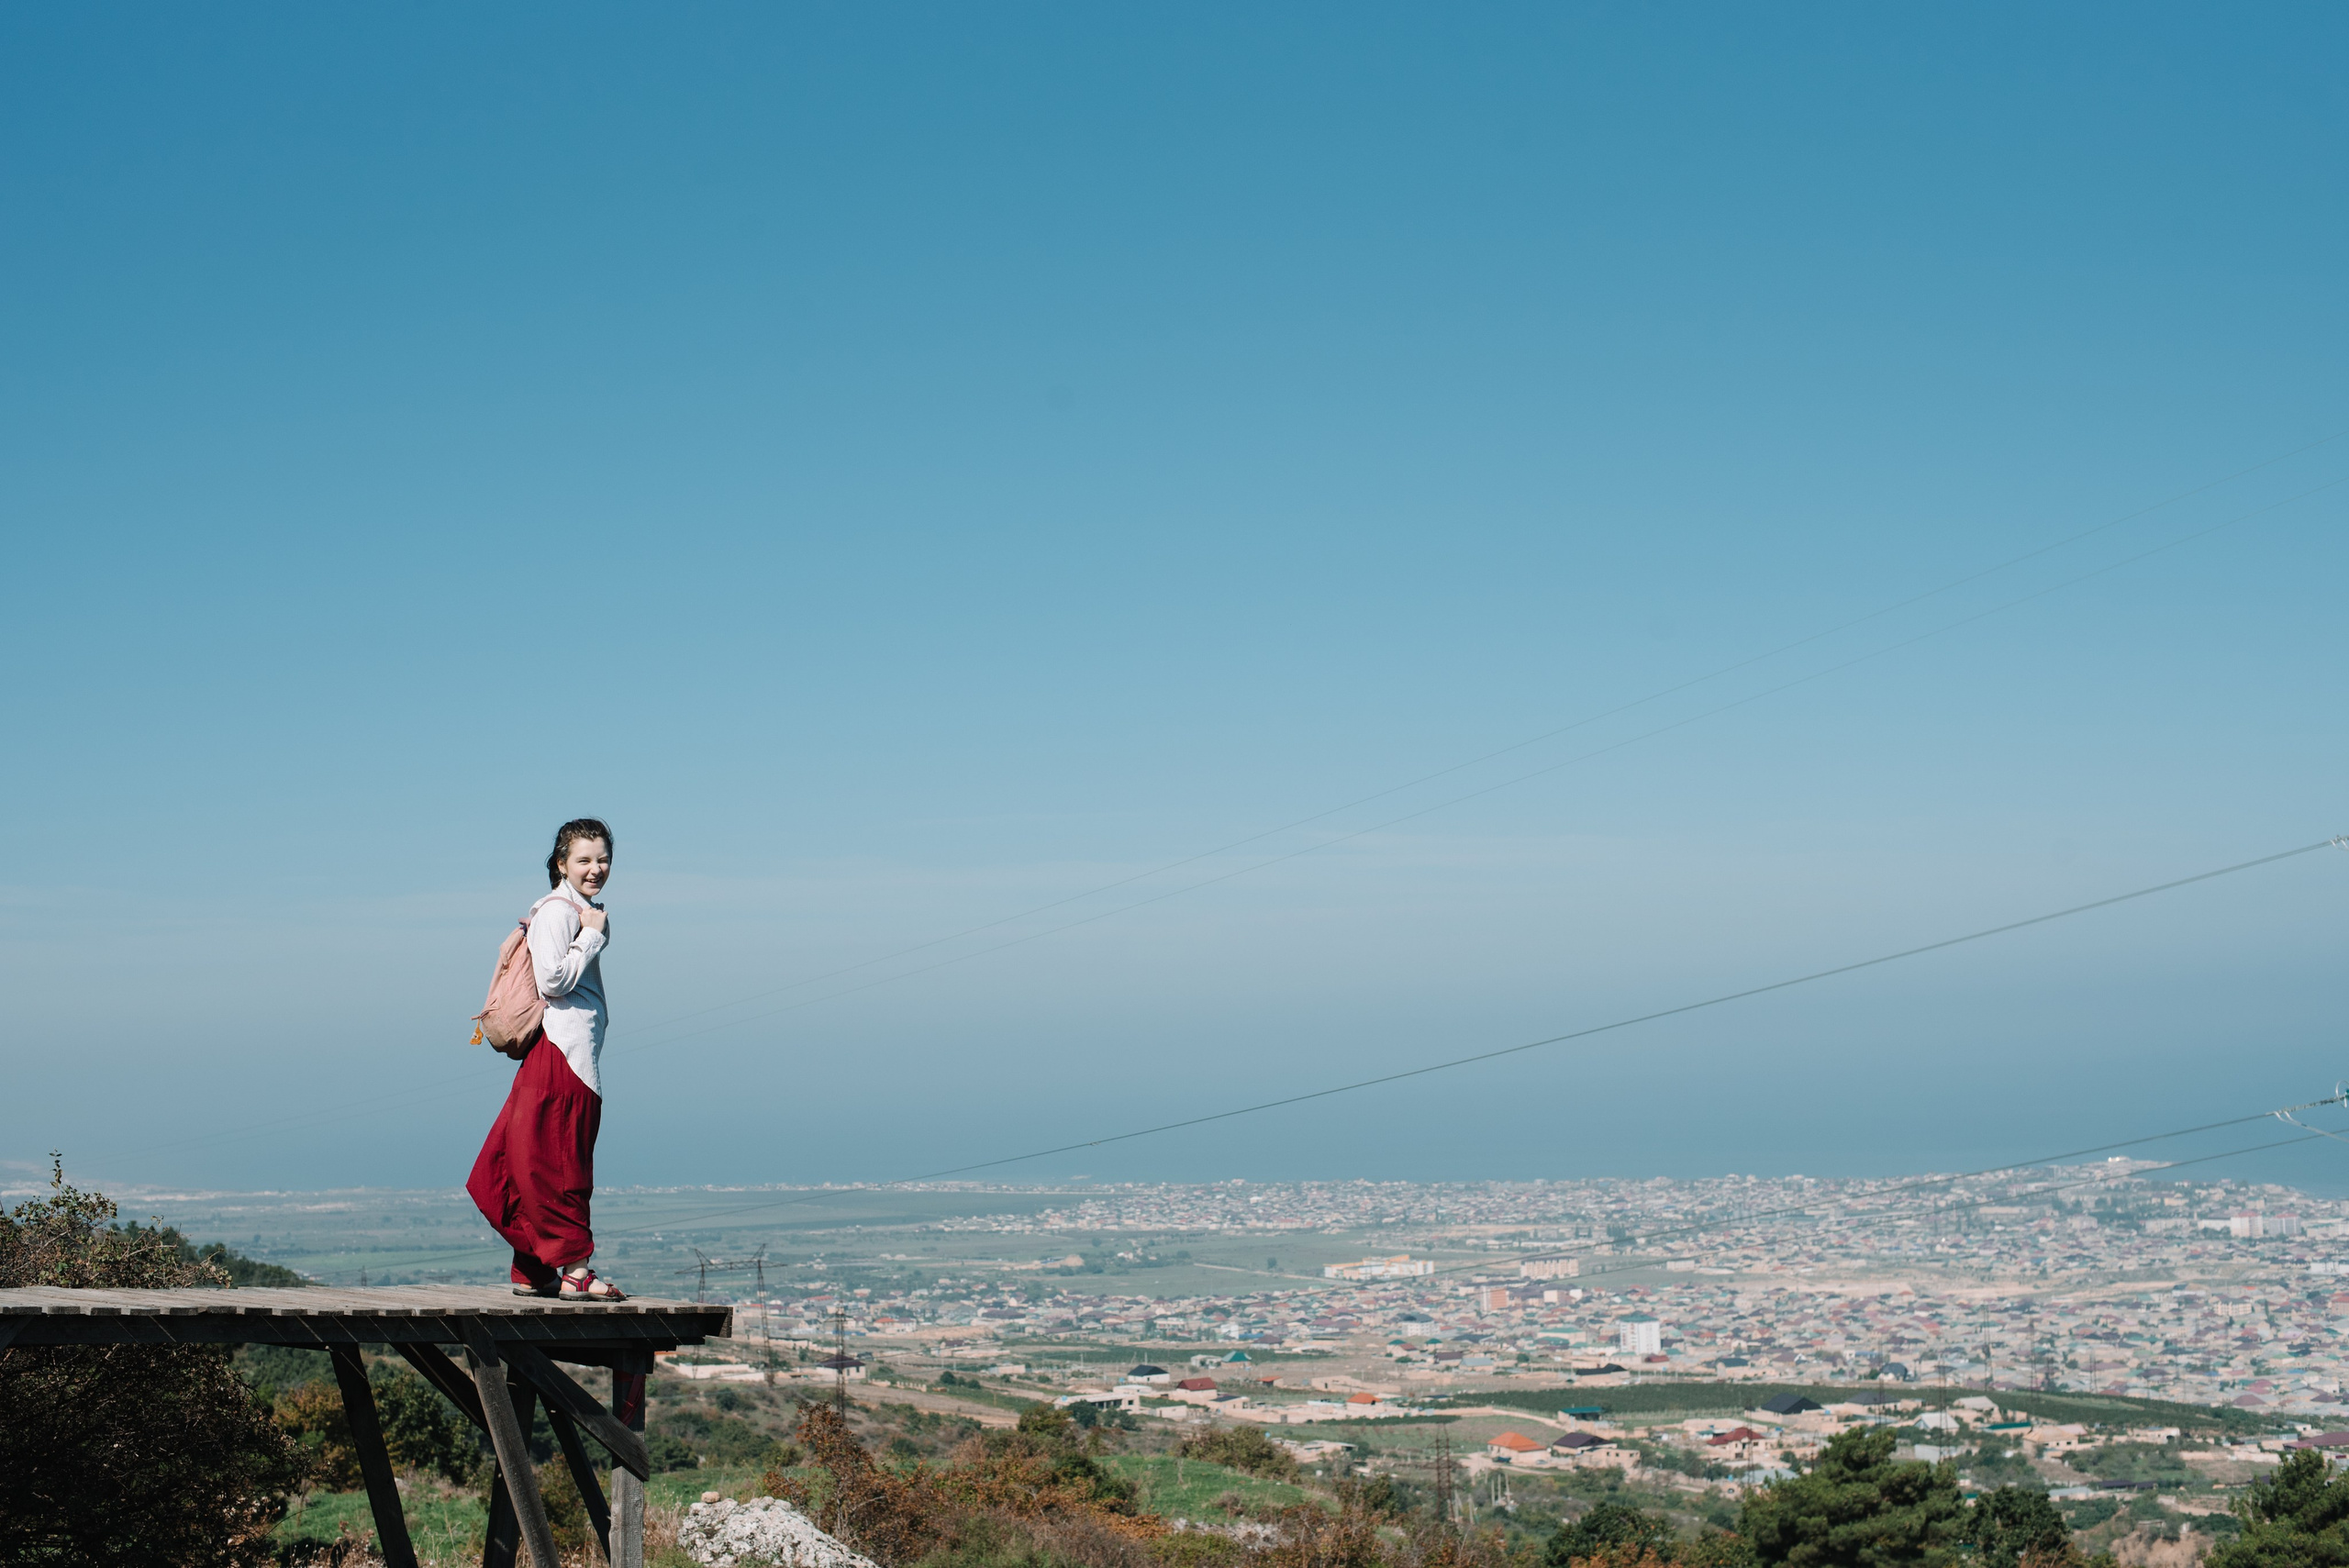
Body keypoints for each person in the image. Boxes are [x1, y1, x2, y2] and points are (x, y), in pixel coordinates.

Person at [466, 818, 626, 1299]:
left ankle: (534, 1267)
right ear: (561, 864)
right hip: (563, 1052)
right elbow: (554, 982)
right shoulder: (561, 913)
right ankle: (575, 1270)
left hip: (557, 1051)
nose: (595, 869)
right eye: (584, 860)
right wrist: (593, 936)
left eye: (602, 859)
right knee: (561, 1158)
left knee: (520, 1157)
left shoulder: (579, 910)